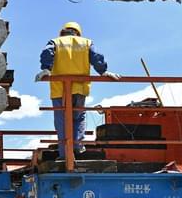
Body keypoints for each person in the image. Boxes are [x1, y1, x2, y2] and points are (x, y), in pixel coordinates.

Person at [35, 21, 121, 159]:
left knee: (61, 120)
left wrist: (46, 68)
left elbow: (47, 52)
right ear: (78, 32)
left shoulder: (55, 42)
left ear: (63, 32)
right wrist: (103, 72)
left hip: (59, 89)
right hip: (80, 88)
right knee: (78, 117)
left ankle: (65, 154)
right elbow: (96, 57)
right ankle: (77, 146)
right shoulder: (86, 42)